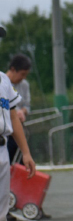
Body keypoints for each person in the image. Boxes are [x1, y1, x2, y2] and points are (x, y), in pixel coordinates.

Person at [0, 71, 35, 220]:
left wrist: (26, 152)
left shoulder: (3, 79)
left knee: (2, 211)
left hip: (2, 148)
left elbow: (13, 116)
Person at [4, 54, 31, 164]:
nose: (23, 78)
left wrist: (22, 112)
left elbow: (27, 106)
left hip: (18, 129)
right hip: (5, 132)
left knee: (21, 164)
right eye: (22, 74)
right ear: (13, 69)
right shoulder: (3, 84)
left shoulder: (24, 85)